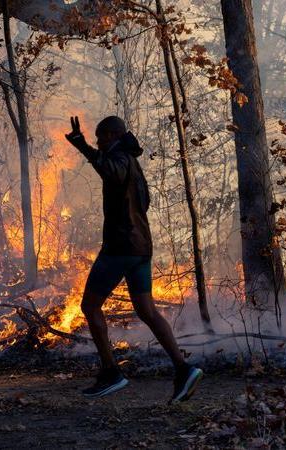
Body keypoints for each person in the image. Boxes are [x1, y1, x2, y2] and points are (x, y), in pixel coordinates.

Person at [64, 115, 203, 401]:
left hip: (121, 248)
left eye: (102, 138)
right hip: (141, 248)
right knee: (147, 311)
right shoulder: (132, 162)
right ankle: (183, 369)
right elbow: (143, 200)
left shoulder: (121, 158)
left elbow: (110, 172)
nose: (99, 143)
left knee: (90, 306)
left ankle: (111, 373)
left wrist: (83, 147)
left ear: (114, 135)